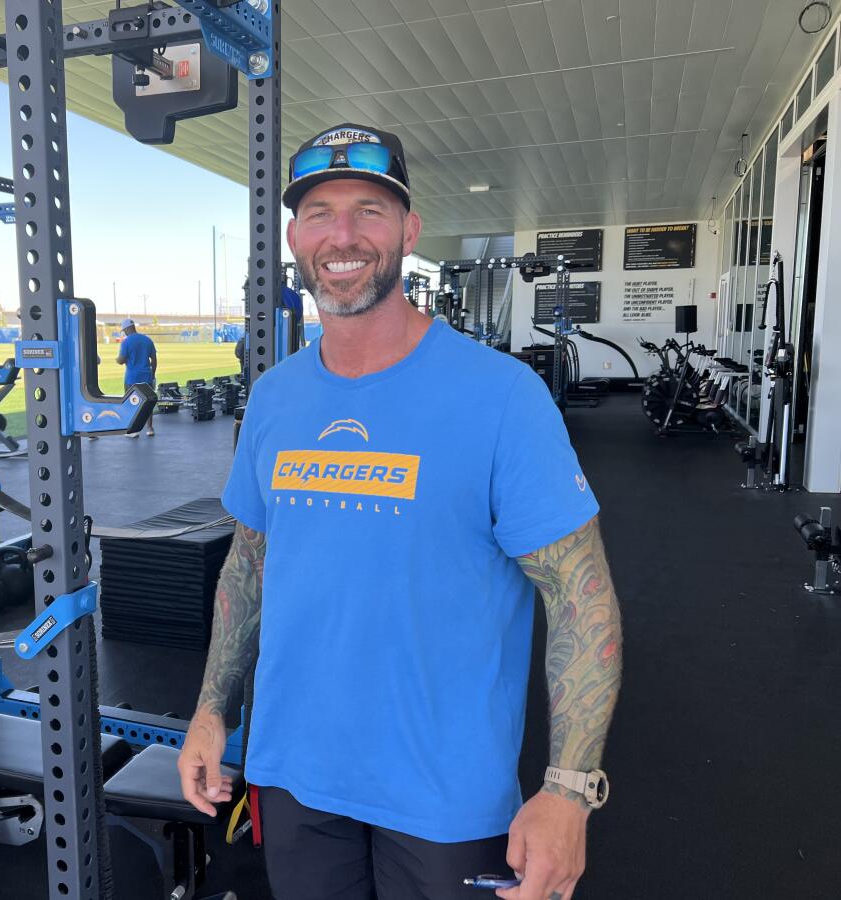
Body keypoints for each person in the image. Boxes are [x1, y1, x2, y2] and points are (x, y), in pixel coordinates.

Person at [177, 123, 623, 900]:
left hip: (444, 798)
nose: (342, 235)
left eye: (369, 211)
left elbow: (582, 602)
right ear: (294, 236)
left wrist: (567, 788)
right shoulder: (276, 397)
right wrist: (212, 711)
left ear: (409, 231)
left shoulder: (501, 397)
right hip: (294, 776)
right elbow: (248, 566)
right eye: (319, 212)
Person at [115, 318, 157, 437]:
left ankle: (133, 430)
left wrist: (117, 360)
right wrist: (152, 374)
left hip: (132, 378)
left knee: (130, 403)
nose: (124, 333)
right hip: (146, 377)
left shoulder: (126, 342)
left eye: (124, 331)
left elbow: (121, 360)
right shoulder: (147, 340)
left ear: (128, 329)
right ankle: (150, 428)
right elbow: (154, 359)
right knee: (148, 403)